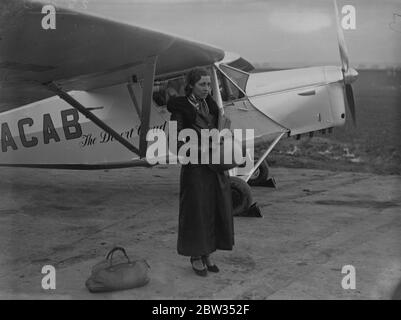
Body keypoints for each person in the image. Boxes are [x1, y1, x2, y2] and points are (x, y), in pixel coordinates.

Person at [167, 67, 234, 277]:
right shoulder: (179, 110)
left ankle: (207, 252)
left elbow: (220, 132)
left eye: (208, 84)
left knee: (214, 210)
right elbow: (173, 143)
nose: (207, 88)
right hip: (195, 170)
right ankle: (195, 255)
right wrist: (203, 149)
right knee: (196, 213)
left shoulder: (210, 106)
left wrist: (223, 138)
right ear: (191, 86)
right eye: (202, 84)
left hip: (215, 169)